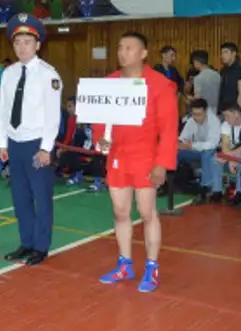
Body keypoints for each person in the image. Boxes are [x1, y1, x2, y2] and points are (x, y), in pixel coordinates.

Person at [92, 31, 178, 293]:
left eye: (129, 48)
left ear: (143, 53)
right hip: (118, 158)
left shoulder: (160, 85)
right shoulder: (109, 83)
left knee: (147, 212)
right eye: (120, 47)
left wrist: (162, 163)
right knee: (120, 212)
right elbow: (99, 119)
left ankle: (152, 268)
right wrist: (100, 140)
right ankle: (125, 264)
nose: (122, 52)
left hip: (146, 158)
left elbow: (169, 129)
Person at [0, 13, 62, 266]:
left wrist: (46, 149)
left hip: (36, 145)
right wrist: (2, 143)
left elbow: (53, 115)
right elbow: (3, 110)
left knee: (41, 198)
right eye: (17, 42)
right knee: (20, 197)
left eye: (27, 42)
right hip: (15, 143)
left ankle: (41, 246)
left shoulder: (49, 75)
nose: (21, 47)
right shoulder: (9, 73)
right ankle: (26, 242)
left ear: (38, 45)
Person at [176, 97, 221, 204]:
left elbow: (212, 144)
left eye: (199, 114)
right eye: (194, 114)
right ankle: (170, 183)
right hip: (196, 149)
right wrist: (180, 144)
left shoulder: (214, 121)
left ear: (206, 111)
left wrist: (192, 145)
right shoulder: (191, 120)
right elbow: (183, 138)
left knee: (206, 154)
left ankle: (204, 188)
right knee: (176, 153)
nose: (196, 117)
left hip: (213, 150)